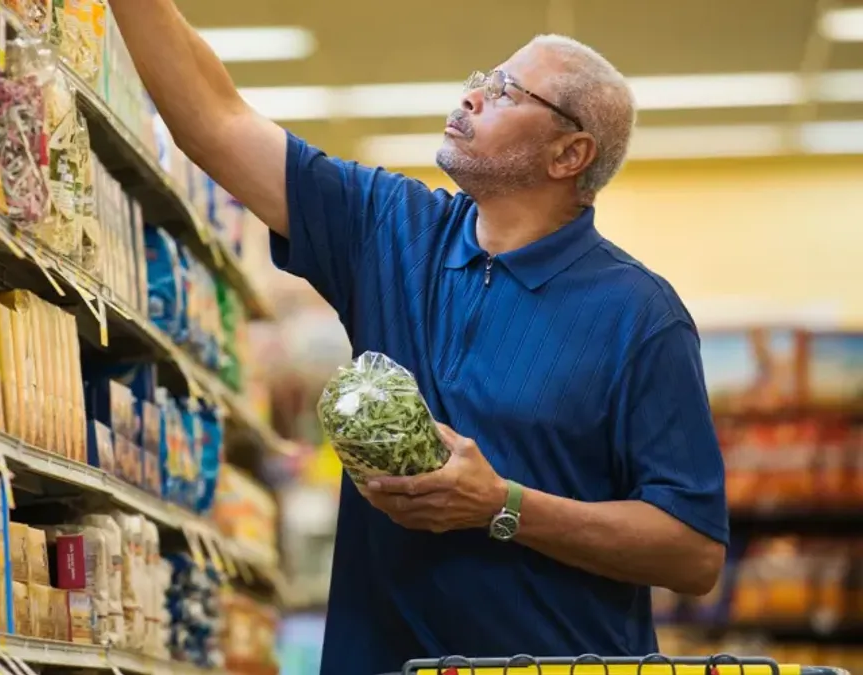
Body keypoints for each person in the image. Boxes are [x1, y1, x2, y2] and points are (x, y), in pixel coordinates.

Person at [107, 2, 728, 671]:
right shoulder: (391, 229)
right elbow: (214, 119)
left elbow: (692, 551)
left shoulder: (639, 314)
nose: (470, 96)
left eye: (504, 92)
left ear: (570, 153)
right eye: (482, 78)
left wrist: (503, 505)